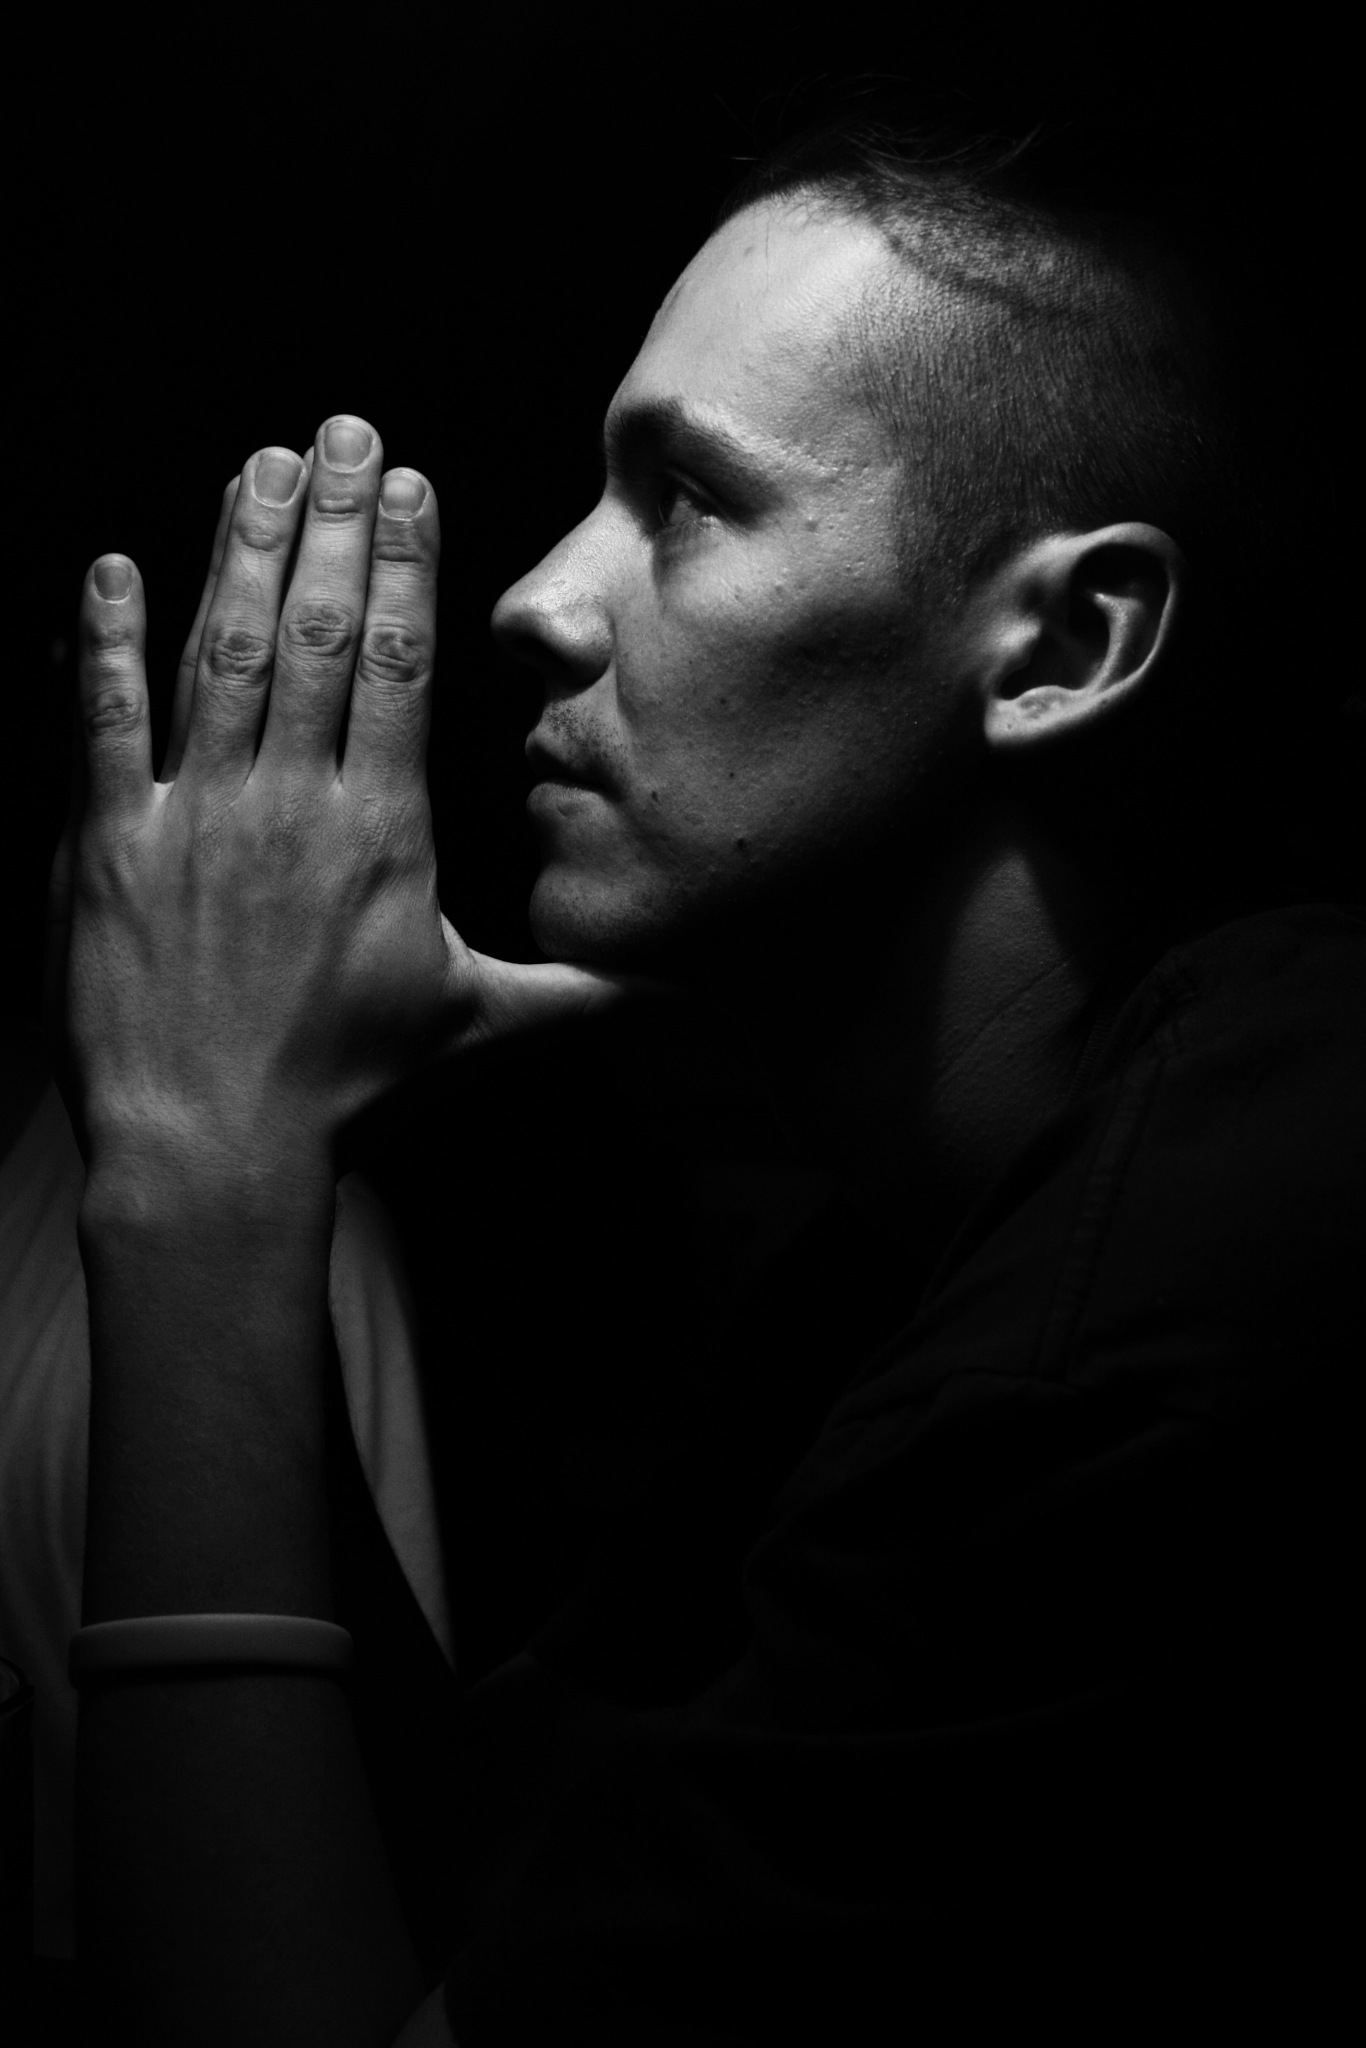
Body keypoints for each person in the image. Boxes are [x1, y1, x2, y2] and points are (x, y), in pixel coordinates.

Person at [47, 110, 1362, 2044]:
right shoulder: (889, 1271)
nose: (538, 599)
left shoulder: (1153, 1331)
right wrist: (262, 1146)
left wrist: (196, 1175)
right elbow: (473, 1911)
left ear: (1067, 643)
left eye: (686, 500)